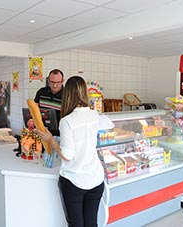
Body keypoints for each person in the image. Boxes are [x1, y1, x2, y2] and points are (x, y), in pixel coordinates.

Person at [36, 76, 105, 227]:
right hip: (96, 178)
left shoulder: (67, 121)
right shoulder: (95, 115)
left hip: (74, 180)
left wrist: (50, 139)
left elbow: (67, 156)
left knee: (76, 224)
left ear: (68, 94)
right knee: (92, 223)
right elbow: (110, 125)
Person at [34, 69, 64, 135]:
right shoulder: (41, 92)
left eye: (58, 82)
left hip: (59, 135)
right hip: (41, 132)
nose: (55, 85)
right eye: (52, 82)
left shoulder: (67, 95)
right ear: (48, 81)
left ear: (62, 81)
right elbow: (34, 110)